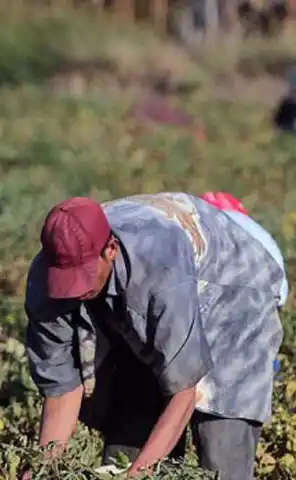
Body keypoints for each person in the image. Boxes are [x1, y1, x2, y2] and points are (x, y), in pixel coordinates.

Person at [24, 193, 286, 479]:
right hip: (149, 302)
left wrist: (140, 474)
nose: (74, 288)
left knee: (219, 447)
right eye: (66, 280)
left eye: (83, 275)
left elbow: (184, 391)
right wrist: (43, 468)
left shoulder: (159, 269)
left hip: (232, 293)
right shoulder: (47, 279)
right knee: (126, 447)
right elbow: (62, 389)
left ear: (109, 249)